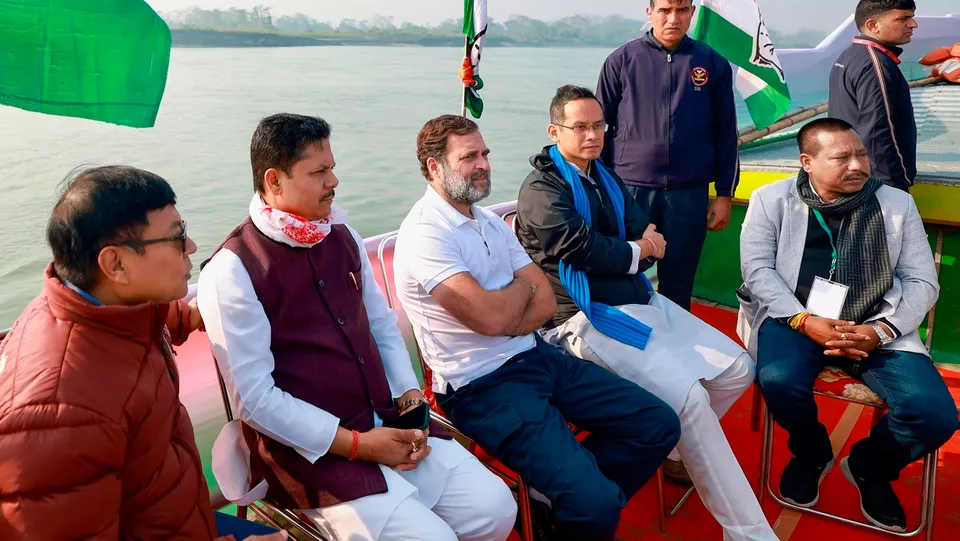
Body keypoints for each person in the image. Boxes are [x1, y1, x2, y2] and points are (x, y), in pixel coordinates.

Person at [197, 113, 516, 541]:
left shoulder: (340, 233)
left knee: (495, 508)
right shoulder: (234, 268)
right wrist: (358, 445)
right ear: (274, 181)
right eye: (320, 171)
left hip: (384, 419)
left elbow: (382, 325)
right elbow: (255, 402)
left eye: (332, 167)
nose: (335, 181)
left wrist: (406, 398)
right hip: (311, 455)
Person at [393, 114, 681, 541]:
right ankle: (580, 503)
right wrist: (514, 299)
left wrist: (508, 310)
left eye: (485, 153)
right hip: (481, 386)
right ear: (434, 167)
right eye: (469, 156)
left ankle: (559, 507)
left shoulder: (488, 221)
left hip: (536, 355)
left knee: (658, 424)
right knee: (595, 501)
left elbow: (544, 299)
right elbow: (492, 317)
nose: (484, 164)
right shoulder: (426, 234)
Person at [516, 85, 777, 541]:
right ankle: (750, 532)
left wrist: (632, 251)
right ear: (554, 130)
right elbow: (579, 247)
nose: (593, 135)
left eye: (599, 125)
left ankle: (678, 451)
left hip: (637, 302)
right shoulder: (542, 189)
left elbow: (643, 235)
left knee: (738, 368)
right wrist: (637, 251)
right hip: (581, 317)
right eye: (580, 127)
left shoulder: (606, 177)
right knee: (690, 401)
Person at [0, 166, 285, 541]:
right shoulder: (60, 411)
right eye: (176, 237)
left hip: (174, 513)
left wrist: (224, 303)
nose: (192, 246)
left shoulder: (107, 305)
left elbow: (162, 320)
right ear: (115, 264)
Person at [738, 118, 958, 532]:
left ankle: (869, 468)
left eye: (861, 154)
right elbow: (758, 270)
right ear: (807, 162)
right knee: (778, 380)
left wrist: (882, 331)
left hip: (877, 321)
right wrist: (804, 320)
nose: (858, 165)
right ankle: (812, 452)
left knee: (935, 416)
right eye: (842, 157)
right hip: (796, 316)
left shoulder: (895, 203)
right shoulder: (772, 199)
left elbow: (921, 279)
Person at [596, 0, 739, 312]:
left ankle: (678, 351)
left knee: (679, 282)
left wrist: (725, 193)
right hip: (629, 191)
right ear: (650, 13)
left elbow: (727, 132)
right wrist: (601, 189)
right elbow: (598, 130)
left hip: (688, 193)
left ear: (692, 13)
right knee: (621, 273)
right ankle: (623, 350)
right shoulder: (622, 60)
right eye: (664, 10)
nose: (673, 19)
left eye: (681, 10)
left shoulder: (711, 62)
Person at [828, 0, 918, 192]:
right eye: (903, 18)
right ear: (872, 25)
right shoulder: (875, 63)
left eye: (912, 17)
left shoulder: (849, 56)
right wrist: (895, 189)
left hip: (853, 178)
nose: (913, 24)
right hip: (876, 183)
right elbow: (879, 131)